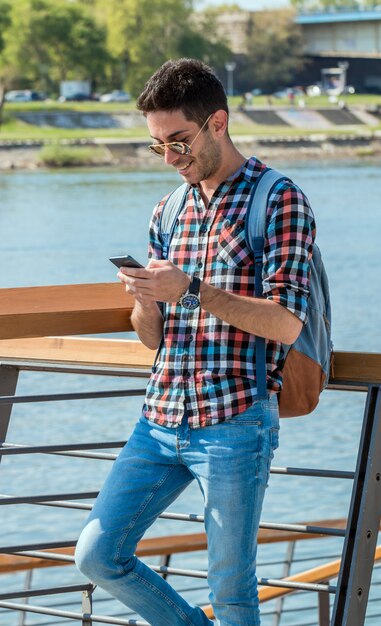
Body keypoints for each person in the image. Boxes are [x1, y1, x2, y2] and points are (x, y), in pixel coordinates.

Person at [75, 58, 315, 626]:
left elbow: (286, 324)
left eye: (179, 141)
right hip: (158, 420)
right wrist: (145, 300)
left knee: (232, 593)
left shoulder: (277, 200)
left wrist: (190, 290)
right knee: (97, 556)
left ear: (219, 123)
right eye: (158, 146)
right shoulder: (168, 210)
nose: (171, 157)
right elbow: (153, 340)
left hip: (235, 420)